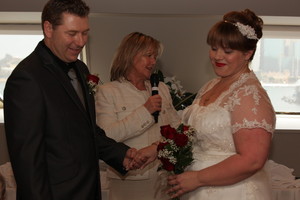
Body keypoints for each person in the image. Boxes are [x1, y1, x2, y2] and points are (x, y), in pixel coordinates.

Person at [3, 0, 141, 199]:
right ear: (48, 28)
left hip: (88, 190)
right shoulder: (27, 78)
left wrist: (119, 153)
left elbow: (86, 130)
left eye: (85, 32)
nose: (81, 41)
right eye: (72, 33)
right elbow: (28, 162)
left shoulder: (80, 69)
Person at [166, 9, 276, 200]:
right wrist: (155, 149)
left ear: (247, 53)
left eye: (227, 51)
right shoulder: (212, 85)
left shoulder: (249, 94)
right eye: (214, 48)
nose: (217, 56)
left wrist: (198, 178)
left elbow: (252, 160)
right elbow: (190, 132)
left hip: (232, 191)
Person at [95, 32, 181, 200]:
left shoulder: (161, 88)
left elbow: (177, 130)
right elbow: (106, 137)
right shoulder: (108, 92)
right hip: (130, 181)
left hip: (164, 178)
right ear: (130, 55)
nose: (153, 62)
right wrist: (145, 111)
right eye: (148, 55)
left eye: (155, 57)